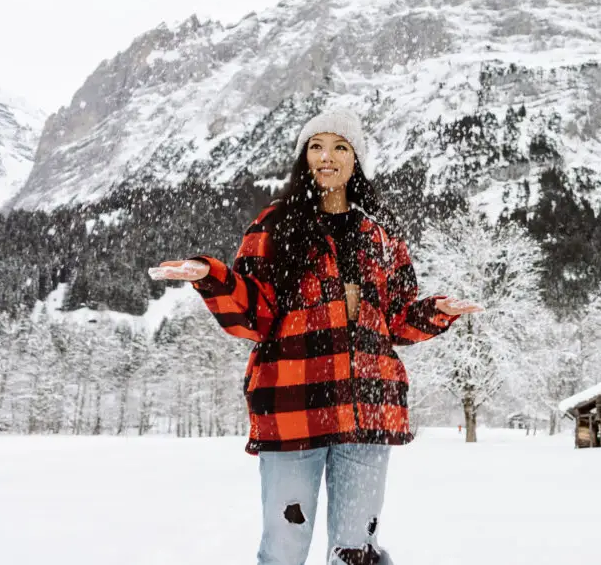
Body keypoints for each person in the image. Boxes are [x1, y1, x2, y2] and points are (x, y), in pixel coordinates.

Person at [148, 109, 482, 565]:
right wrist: (212, 277)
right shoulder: (273, 224)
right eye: (317, 146)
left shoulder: (380, 235)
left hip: (368, 410)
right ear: (303, 157)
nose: (327, 157)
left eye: (340, 147)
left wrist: (434, 313)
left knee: (355, 552)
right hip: (293, 411)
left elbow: (395, 321)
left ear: (356, 159)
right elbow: (254, 313)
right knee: (284, 549)